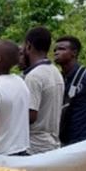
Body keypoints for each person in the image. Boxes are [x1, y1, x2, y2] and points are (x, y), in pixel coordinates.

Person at [20, 26, 64, 154]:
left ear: (28, 46)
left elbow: (31, 115)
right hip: (52, 143)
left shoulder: (33, 77)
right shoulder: (55, 72)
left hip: (33, 146)